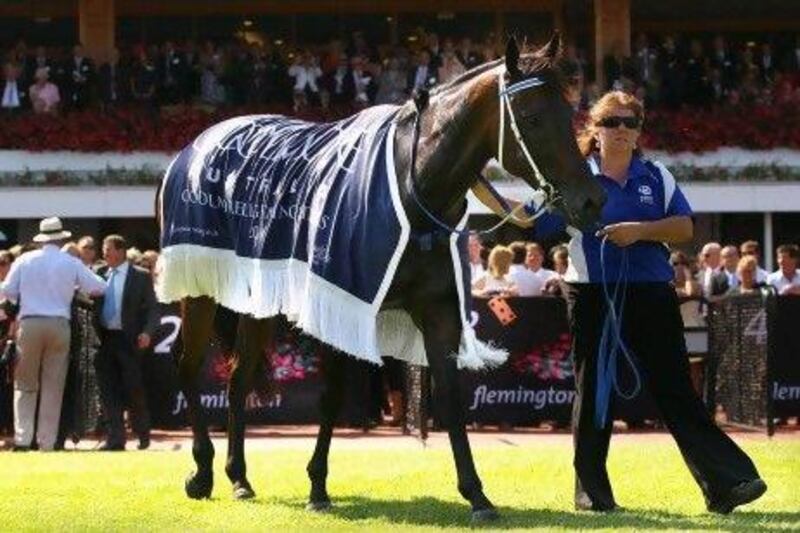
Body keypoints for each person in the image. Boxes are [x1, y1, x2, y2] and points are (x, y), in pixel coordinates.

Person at [530, 91, 765, 513]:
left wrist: (639, 230)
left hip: (652, 290)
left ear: (639, 132)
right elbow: (530, 219)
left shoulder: (656, 175)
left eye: (630, 123)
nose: (622, 130)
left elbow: (683, 227)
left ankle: (728, 483)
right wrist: (479, 188)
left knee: (675, 387)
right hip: (590, 290)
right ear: (595, 129)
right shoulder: (573, 174)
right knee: (595, 389)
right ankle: (592, 496)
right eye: (613, 122)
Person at [0, 217, 106, 451]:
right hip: (59, 324)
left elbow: (6, 289)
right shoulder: (70, 262)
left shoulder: (25, 260)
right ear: (61, 238)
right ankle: (46, 442)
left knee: (25, 384)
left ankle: (22, 439)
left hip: (30, 323)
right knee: (53, 387)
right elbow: (99, 286)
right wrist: (73, 288)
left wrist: (21, 296)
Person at [93, 235, 158, 451]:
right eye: (104, 250)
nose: (105, 254)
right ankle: (116, 439)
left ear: (120, 251)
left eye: (108, 249)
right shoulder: (99, 274)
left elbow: (152, 309)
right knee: (107, 390)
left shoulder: (140, 276)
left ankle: (142, 433)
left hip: (129, 340)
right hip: (104, 339)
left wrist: (148, 332)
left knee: (133, 389)